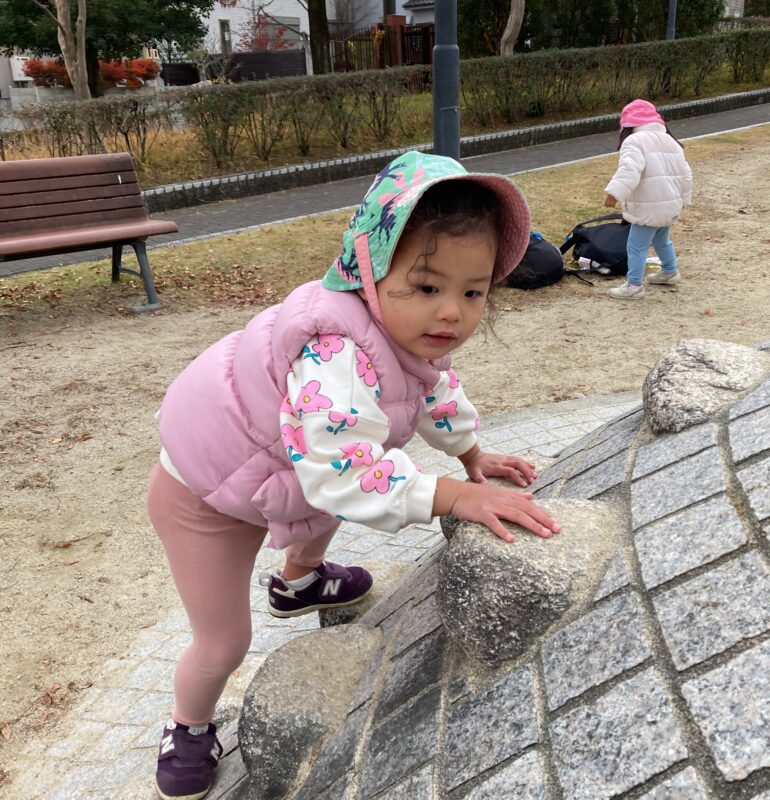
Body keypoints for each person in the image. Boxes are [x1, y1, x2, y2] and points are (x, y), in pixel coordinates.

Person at [148, 150, 561, 800]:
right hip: (201, 494)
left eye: (473, 291)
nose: (452, 313)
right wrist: (456, 496)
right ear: (369, 270)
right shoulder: (334, 353)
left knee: (336, 480)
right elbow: (344, 472)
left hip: (280, 463)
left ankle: (300, 581)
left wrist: (471, 456)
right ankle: (186, 728)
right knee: (224, 639)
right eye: (428, 287)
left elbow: (432, 390)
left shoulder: (403, 333)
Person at [603, 98, 693, 299]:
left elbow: (629, 169)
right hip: (670, 205)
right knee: (662, 240)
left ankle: (634, 286)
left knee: (636, 246)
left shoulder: (634, 141)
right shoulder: (671, 141)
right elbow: (686, 174)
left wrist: (613, 193)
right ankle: (670, 271)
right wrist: (684, 200)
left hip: (648, 207)